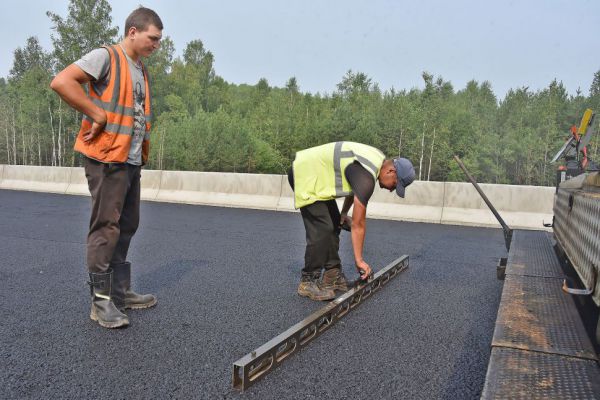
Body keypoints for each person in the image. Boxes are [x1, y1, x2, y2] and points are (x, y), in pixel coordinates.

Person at [50, 7, 163, 328]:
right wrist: (96, 114)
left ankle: (119, 291)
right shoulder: (107, 57)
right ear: (133, 32)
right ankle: (100, 303)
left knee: (128, 223)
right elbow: (61, 81)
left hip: (130, 159)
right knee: (106, 227)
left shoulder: (140, 68)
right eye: (153, 38)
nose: (157, 44)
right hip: (106, 157)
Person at [288, 141, 415, 301]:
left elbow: (353, 188)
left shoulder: (374, 161)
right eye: (395, 185)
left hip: (316, 177)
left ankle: (332, 276)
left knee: (334, 224)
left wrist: (342, 214)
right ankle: (308, 281)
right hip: (304, 173)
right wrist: (359, 261)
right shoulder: (367, 176)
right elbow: (358, 224)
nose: (391, 190)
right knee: (322, 228)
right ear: (390, 171)